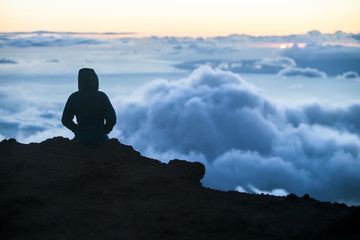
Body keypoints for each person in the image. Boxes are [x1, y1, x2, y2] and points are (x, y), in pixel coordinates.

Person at [62, 68, 116, 147]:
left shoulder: (74, 97)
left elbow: (65, 120)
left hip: (80, 138)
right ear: (95, 80)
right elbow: (111, 118)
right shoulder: (101, 96)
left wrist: (77, 130)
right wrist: (104, 131)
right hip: (100, 139)